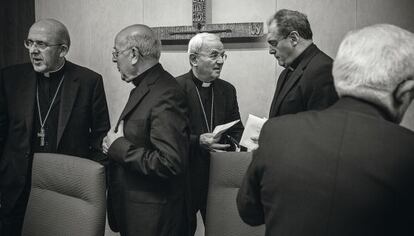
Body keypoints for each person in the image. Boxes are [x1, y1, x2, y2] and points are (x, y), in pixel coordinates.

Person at [237, 24, 414, 236]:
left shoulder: (277, 133)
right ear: (405, 93)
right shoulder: (407, 151)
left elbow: (249, 212)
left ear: (341, 78)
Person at [0, 18, 110, 235]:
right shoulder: (10, 78)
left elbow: (100, 137)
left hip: (65, 188)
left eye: (41, 44)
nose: (33, 50)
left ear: (63, 50)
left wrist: (88, 184)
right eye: (29, 43)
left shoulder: (89, 81)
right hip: (16, 186)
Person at [102, 24, 190, 236]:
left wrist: (119, 147)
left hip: (154, 220)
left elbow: (170, 163)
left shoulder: (165, 93)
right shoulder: (146, 86)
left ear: (133, 54)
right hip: (138, 213)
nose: (114, 60)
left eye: (116, 53)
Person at [176, 32, 244, 235]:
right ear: (194, 59)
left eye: (223, 55)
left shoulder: (227, 90)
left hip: (219, 177)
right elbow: (169, 136)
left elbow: (236, 128)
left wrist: (244, 141)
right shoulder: (175, 88)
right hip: (187, 178)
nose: (221, 61)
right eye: (214, 55)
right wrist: (198, 141)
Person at [267, 9, 338, 118]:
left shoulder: (324, 70)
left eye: (273, 43)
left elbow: (321, 128)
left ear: (294, 38)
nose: (270, 51)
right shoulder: (285, 72)